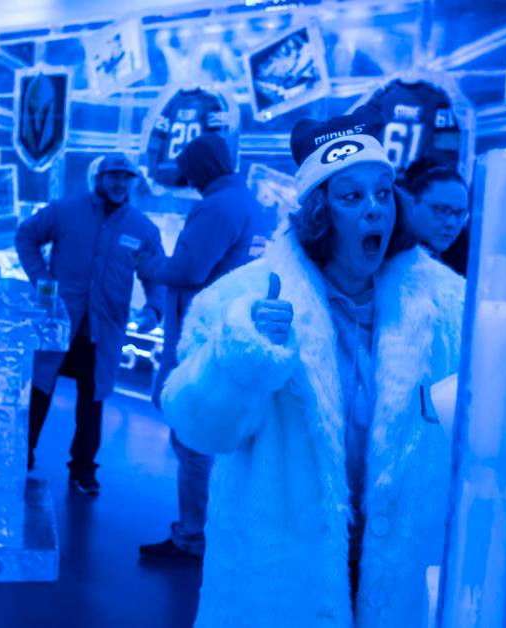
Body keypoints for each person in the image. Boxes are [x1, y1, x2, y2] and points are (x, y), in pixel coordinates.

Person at [160, 108, 465, 626]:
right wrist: (243, 353)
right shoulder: (242, 299)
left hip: (406, 578)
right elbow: (197, 428)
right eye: (351, 197)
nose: (375, 210)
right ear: (320, 213)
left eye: (384, 192)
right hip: (278, 581)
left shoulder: (450, 307)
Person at [137, 133, 269, 564]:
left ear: (200, 168)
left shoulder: (217, 206)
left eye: (190, 171)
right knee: (217, 443)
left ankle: (193, 537)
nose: (188, 180)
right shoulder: (251, 204)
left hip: (201, 337)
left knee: (193, 438)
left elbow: (189, 268)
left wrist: (149, 265)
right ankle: (214, 532)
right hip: (231, 334)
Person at [15, 153, 164, 495]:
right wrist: (40, 280)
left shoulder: (141, 229)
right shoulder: (66, 211)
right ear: (99, 178)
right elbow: (26, 237)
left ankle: (83, 469)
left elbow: (154, 273)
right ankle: (22, 456)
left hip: (104, 331)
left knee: (91, 402)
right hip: (59, 325)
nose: (119, 183)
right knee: (39, 393)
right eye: (114, 175)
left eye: (126, 178)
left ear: (132, 183)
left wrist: (155, 308)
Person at [401, 158, 470, 276]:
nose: (452, 223)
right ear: (411, 204)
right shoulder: (388, 260)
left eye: (460, 214)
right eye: (442, 210)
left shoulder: (462, 256)